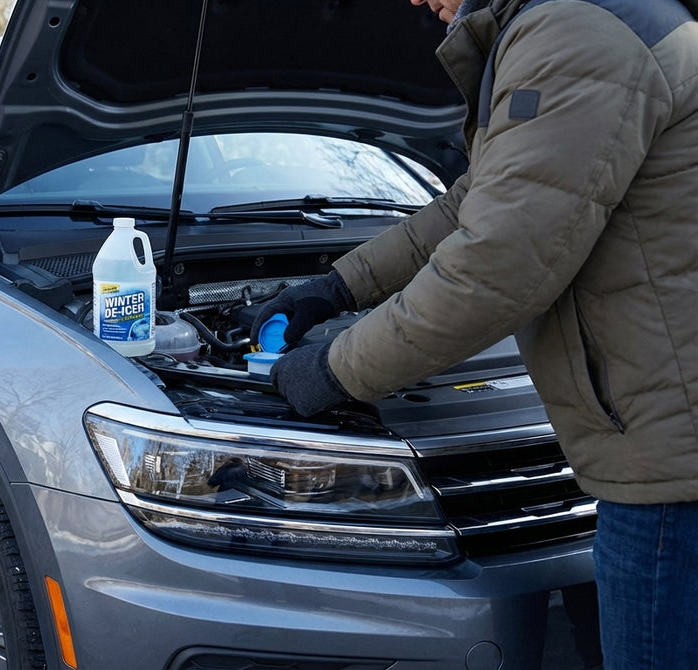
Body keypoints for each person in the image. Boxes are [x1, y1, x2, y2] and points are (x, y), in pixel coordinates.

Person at [253, 0, 698, 668]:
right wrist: (338, 287)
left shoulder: (576, 33)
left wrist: (333, 370)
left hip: (670, 462)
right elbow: (473, 203)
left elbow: (498, 266)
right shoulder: (583, 17)